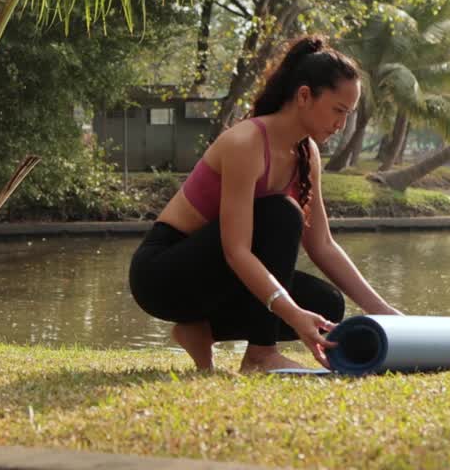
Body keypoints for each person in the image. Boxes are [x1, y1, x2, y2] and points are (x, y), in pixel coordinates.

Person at [128, 35, 401, 373]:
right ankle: (260, 354)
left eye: (348, 114)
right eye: (338, 111)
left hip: (216, 276)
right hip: (164, 274)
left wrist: (382, 310)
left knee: (326, 304)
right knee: (282, 214)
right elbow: (236, 251)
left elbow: (323, 246)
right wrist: (289, 313)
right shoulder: (246, 142)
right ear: (304, 95)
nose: (341, 125)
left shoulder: (306, 153)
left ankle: (200, 330)